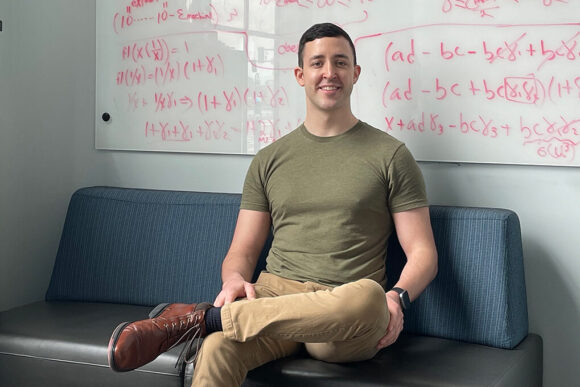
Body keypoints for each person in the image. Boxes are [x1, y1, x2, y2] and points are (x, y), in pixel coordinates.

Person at [107, 22, 438, 386]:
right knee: (216, 350)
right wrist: (234, 279)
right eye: (317, 63)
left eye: (341, 62)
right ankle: (217, 328)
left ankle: (205, 320)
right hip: (273, 295)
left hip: (342, 315)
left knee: (370, 299)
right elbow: (242, 252)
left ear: (355, 73)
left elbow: (422, 251)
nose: (329, 73)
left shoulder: (390, 155)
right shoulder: (269, 159)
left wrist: (397, 299)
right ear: (300, 74)